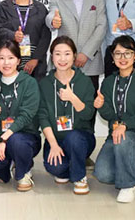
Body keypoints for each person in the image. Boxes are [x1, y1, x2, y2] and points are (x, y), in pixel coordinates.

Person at [93, 36, 135, 203]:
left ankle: (129, 185)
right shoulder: (108, 82)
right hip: (115, 137)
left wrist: (125, 125)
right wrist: (101, 106)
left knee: (123, 137)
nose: (122, 58)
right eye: (118, 53)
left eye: (127, 53)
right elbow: (108, 115)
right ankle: (128, 162)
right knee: (103, 174)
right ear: (112, 57)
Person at [38, 36, 96, 194]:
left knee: (74, 138)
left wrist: (72, 98)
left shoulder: (84, 81)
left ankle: (79, 177)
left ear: (74, 56)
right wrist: (53, 145)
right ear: (52, 57)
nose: (62, 59)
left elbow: (88, 114)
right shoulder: (45, 83)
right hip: (56, 140)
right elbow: (43, 117)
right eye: (57, 54)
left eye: (67, 54)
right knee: (55, 168)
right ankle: (68, 168)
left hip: (81, 139)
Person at [0, 41, 41, 191]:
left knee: (17, 142)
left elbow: (26, 116)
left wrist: (4, 139)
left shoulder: (30, 83)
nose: (6, 63)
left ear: (18, 61)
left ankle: (23, 171)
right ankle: (7, 169)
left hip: (26, 136)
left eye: (11, 58)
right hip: (0, 135)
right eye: (1, 58)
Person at [46, 0, 107, 91]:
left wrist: (85, 53)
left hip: (90, 62)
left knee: (89, 100)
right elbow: (51, 15)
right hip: (64, 63)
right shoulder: (57, 0)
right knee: (62, 100)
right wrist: (53, 21)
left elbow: (101, 28)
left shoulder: (98, 0)